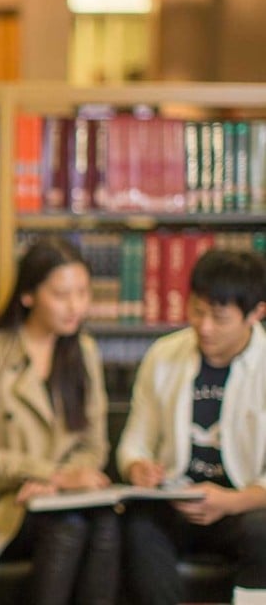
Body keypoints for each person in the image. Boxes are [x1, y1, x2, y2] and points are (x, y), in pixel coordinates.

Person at [0, 236, 119, 605]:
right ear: (28, 295)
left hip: (63, 499)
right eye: (62, 294)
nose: (76, 306)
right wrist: (49, 475)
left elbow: (93, 446)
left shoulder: (84, 351)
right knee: (68, 526)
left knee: (105, 523)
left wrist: (64, 484)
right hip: (4, 503)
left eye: (83, 293)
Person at [116, 248, 266, 605]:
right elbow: (134, 442)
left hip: (243, 506)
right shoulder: (164, 355)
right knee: (137, 526)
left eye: (219, 317)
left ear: (256, 314)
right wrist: (138, 467)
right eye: (197, 311)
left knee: (263, 531)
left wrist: (232, 501)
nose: (204, 326)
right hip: (177, 502)